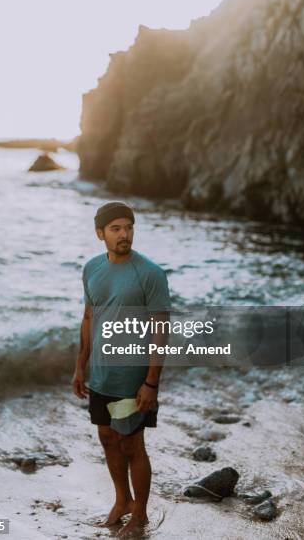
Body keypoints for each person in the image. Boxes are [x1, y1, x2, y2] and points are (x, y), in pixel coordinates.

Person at [72, 201, 171, 536]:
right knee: (107, 438)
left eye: (128, 227)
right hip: (100, 374)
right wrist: (79, 365)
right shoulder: (91, 269)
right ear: (100, 233)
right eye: (116, 228)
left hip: (133, 377)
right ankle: (122, 500)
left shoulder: (151, 274)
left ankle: (140, 514)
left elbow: (161, 329)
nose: (124, 234)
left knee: (132, 444)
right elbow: (89, 316)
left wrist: (151, 383)